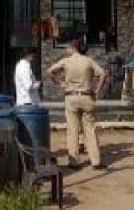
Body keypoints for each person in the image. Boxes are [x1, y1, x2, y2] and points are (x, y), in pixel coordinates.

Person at [46, 39, 108, 170]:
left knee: (72, 130)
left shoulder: (66, 61)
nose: (66, 50)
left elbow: (49, 71)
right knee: (90, 129)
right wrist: (97, 91)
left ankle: (74, 160)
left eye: (67, 47)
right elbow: (103, 74)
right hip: (87, 96)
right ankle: (95, 161)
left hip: (71, 96)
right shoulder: (88, 61)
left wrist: (60, 82)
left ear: (73, 48)